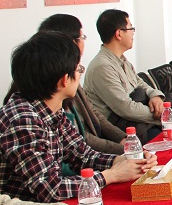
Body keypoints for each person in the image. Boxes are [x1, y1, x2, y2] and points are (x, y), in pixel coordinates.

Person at [0, 32, 156, 204]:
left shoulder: (51, 109)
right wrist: (112, 175)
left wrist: (124, 161)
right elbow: (50, 189)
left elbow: (82, 155)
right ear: (64, 79)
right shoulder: (22, 120)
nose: (80, 74)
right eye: (79, 69)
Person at [37, 14, 126, 157]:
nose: (80, 72)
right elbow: (82, 139)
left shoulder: (69, 79)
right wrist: (122, 151)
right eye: (82, 37)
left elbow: (80, 149)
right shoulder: (30, 118)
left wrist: (124, 140)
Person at [85, 9, 165, 143]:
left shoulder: (121, 60)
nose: (133, 33)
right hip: (122, 132)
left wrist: (154, 95)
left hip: (139, 123)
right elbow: (126, 108)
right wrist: (161, 114)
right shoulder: (102, 67)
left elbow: (139, 82)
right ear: (119, 34)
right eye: (131, 28)